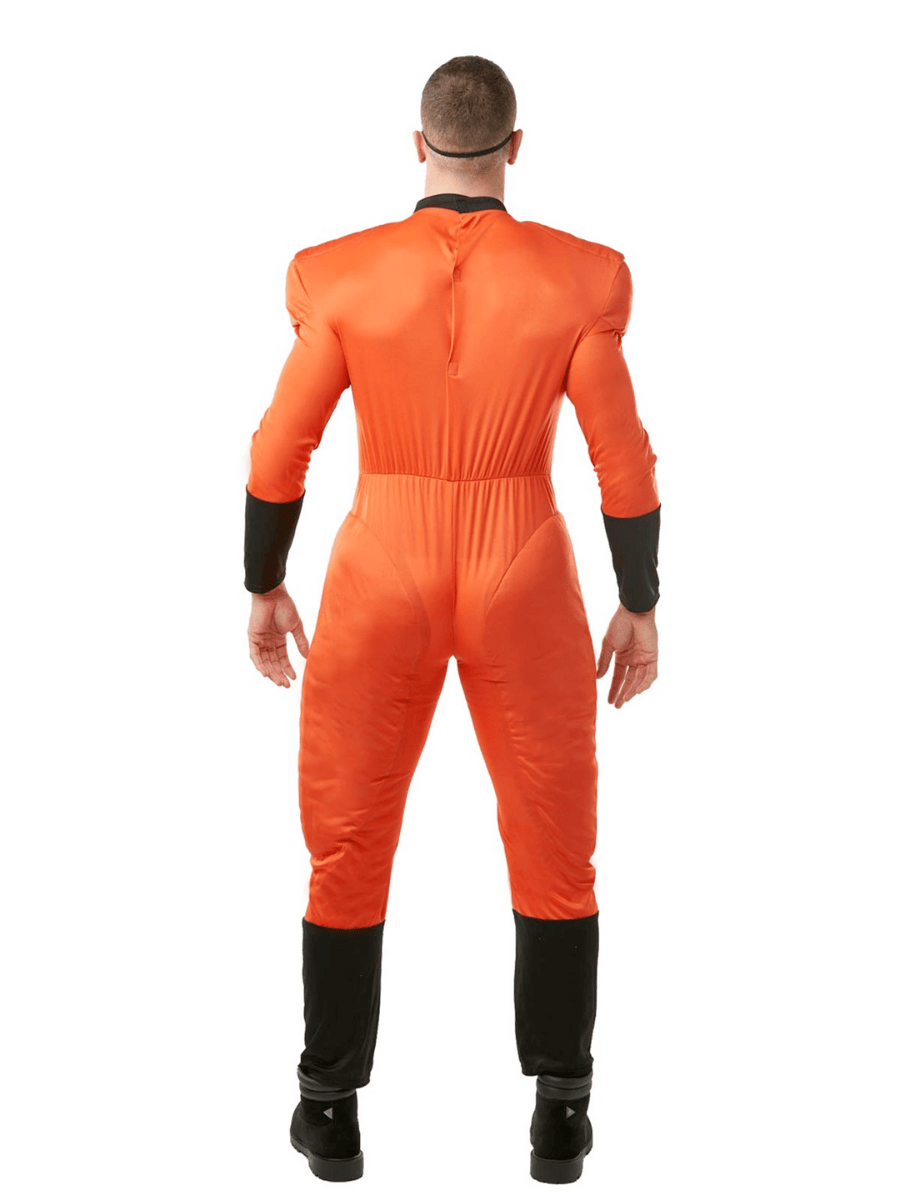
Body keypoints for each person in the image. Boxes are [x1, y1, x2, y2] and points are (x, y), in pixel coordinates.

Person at [243, 55, 660, 1184]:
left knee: (347, 844)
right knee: (556, 849)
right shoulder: (585, 278)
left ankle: (328, 1108)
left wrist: (263, 582)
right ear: (516, 149)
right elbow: (622, 464)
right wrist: (639, 601)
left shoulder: (336, 275)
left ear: (417, 145)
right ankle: (561, 1113)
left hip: (382, 564)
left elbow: (279, 453)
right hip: (524, 564)